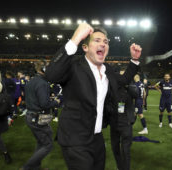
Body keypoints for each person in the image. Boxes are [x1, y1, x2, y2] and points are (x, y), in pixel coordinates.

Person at [45, 23, 141, 170]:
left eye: (106, 42)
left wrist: (134, 60)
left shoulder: (107, 69)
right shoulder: (74, 66)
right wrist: (75, 39)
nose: (102, 44)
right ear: (85, 48)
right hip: (75, 139)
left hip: (96, 137)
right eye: (97, 40)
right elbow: (51, 74)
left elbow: (123, 80)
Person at [21, 60, 60, 170]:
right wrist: (55, 102)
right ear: (43, 70)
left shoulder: (32, 81)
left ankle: (35, 167)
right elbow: (44, 104)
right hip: (37, 117)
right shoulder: (42, 83)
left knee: (40, 142)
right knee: (48, 145)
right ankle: (27, 167)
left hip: (31, 116)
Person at [110, 70, 138, 170]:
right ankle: (120, 167)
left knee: (125, 150)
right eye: (121, 76)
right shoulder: (113, 88)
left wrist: (127, 85)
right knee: (115, 148)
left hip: (126, 123)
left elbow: (136, 94)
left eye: (125, 76)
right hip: (114, 124)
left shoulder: (130, 87)